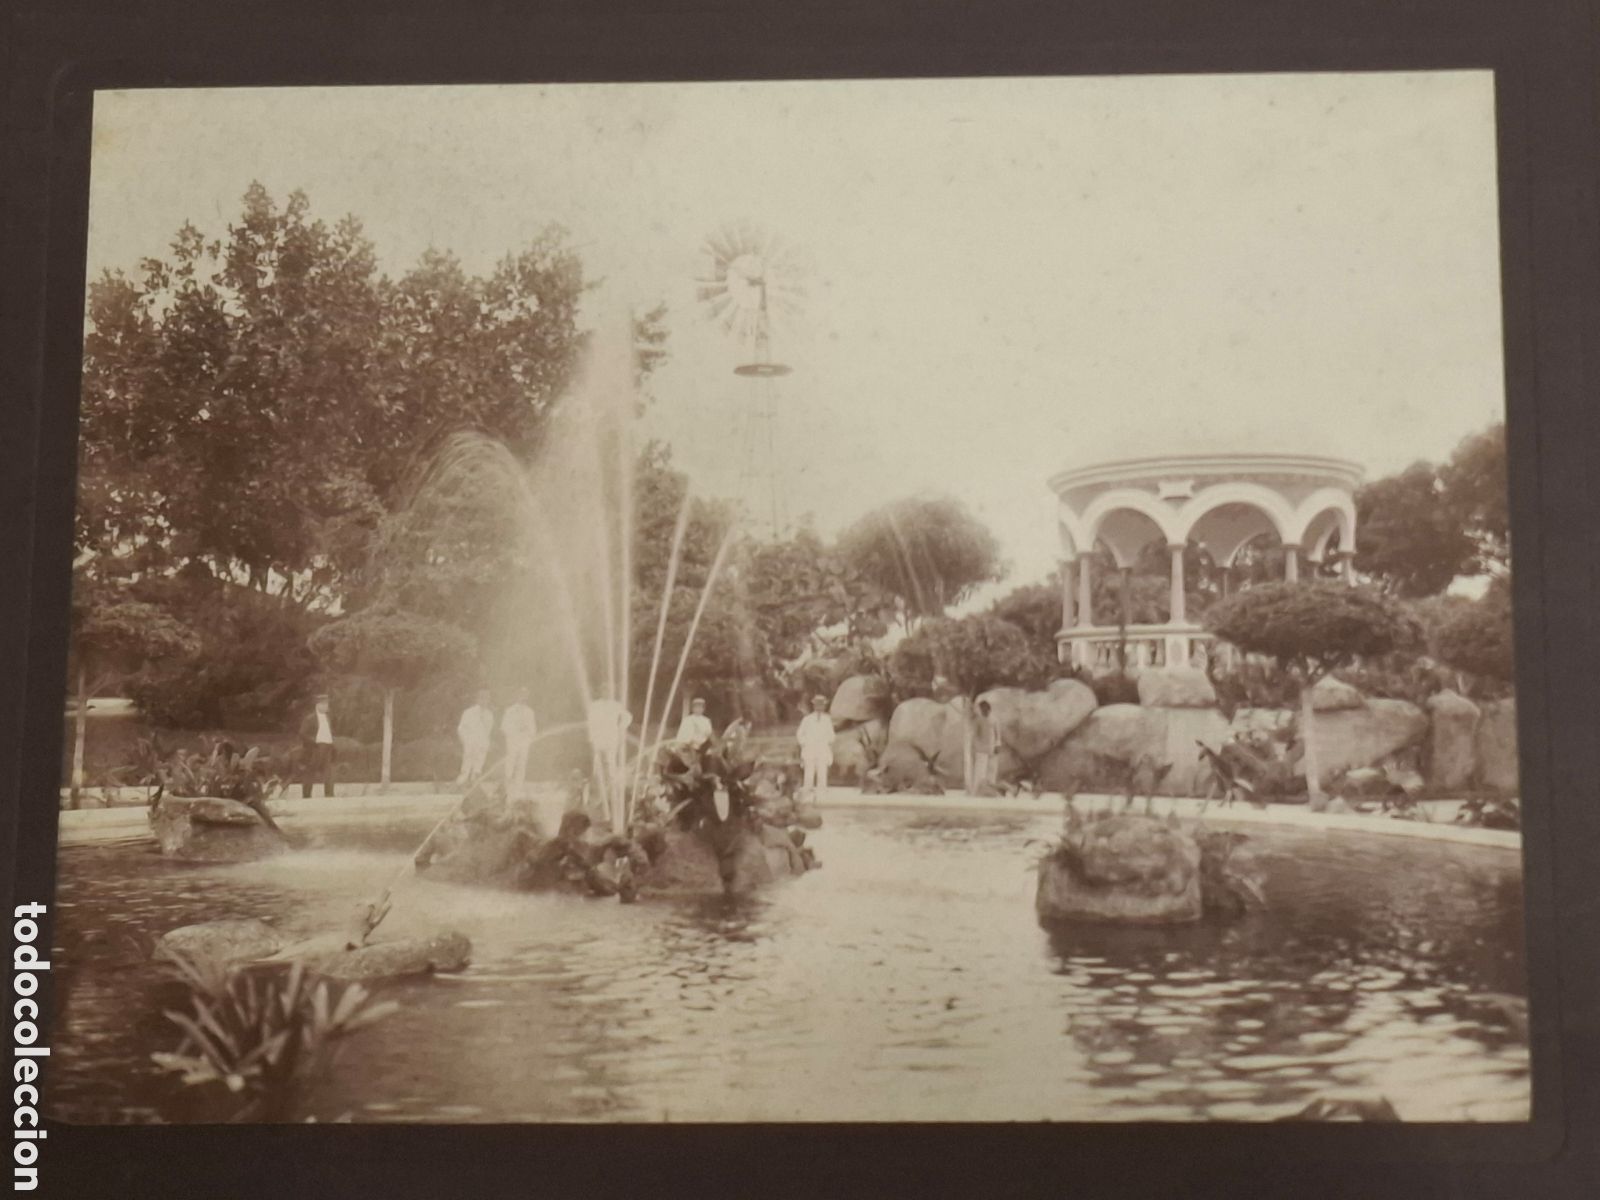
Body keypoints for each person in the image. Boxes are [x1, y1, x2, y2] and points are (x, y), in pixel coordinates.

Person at [585, 698, 633, 823]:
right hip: (599, 739)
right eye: (603, 689)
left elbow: (627, 717)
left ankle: (611, 795)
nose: (605, 691)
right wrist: (592, 739)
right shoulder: (595, 704)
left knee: (610, 765)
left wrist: (620, 728)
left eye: (607, 689)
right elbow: (591, 722)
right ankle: (597, 799)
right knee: (598, 767)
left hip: (611, 739)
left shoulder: (616, 705)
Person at [297, 694, 337, 799]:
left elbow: (329, 732)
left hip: (327, 747)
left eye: (327, 704)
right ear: (317, 705)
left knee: (329, 772)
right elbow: (302, 733)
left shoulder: (328, 718)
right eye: (324, 704)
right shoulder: (310, 718)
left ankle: (329, 795)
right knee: (310, 771)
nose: (326, 706)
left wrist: (332, 743)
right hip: (315, 748)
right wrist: (314, 742)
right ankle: (306, 796)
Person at [796, 695, 835, 801]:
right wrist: (805, 743)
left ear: (824, 706)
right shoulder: (807, 719)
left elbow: (831, 735)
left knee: (822, 773)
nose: (819, 707)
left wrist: (827, 743)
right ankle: (807, 797)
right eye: (817, 704)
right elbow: (800, 734)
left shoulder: (827, 719)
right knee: (809, 773)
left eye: (821, 705)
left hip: (822, 749)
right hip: (810, 749)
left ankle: (821, 797)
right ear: (814, 706)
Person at [501, 687, 538, 797]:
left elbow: (533, 729)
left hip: (524, 741)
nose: (523, 697)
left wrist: (528, 734)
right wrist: (514, 732)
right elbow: (503, 727)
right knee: (510, 763)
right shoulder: (510, 710)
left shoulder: (530, 712)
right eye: (521, 694)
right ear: (517, 695)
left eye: (525, 695)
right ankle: (507, 787)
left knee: (522, 764)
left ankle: (518, 788)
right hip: (512, 740)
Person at [456, 690, 496, 786]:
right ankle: (461, 784)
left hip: (482, 743)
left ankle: (474, 784)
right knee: (467, 763)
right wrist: (465, 740)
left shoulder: (489, 714)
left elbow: (488, 731)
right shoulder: (469, 712)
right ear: (477, 699)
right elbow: (461, 728)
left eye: (486, 699)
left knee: (478, 765)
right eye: (482, 698)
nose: (484, 701)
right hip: (470, 741)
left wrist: (486, 743)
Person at [970, 699, 1000, 796]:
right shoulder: (978, 720)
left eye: (985, 709)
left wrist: (997, 745)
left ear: (989, 709)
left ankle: (991, 792)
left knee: (992, 771)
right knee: (979, 771)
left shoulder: (994, 719)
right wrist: (976, 747)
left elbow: (998, 734)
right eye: (982, 709)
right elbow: (975, 735)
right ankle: (976, 792)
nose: (984, 711)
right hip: (981, 750)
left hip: (992, 749)